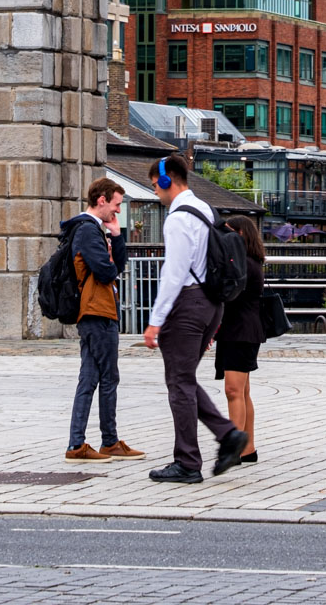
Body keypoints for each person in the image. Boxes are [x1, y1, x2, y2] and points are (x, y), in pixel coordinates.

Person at [141, 154, 248, 483]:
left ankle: (188, 462)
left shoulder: (177, 219)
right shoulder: (205, 209)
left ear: (166, 181)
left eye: (155, 186)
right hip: (213, 304)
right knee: (184, 378)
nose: (155, 193)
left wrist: (156, 320)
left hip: (187, 306)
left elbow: (174, 274)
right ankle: (227, 435)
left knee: (179, 384)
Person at [62, 177, 143, 463]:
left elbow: (115, 266)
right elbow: (107, 272)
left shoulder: (92, 229)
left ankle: (77, 444)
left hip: (96, 310)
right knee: (109, 377)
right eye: (116, 204)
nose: (118, 210)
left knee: (90, 378)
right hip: (97, 312)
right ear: (101, 200)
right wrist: (109, 255)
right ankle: (108, 441)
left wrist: (117, 237)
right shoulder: (87, 230)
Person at [214, 214, 267, 466]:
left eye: (229, 233)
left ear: (241, 234)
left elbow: (227, 295)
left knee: (233, 390)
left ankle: (235, 450)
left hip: (240, 332)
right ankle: (248, 448)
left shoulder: (243, 264)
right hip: (242, 331)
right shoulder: (250, 261)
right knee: (242, 391)